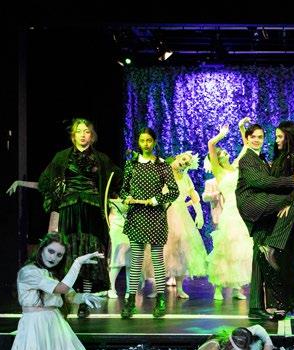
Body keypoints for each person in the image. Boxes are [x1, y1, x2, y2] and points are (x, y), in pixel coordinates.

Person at [38, 118, 122, 318]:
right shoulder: (61, 157)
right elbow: (45, 180)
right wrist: (55, 198)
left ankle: (84, 301)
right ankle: (65, 300)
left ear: (91, 136)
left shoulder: (101, 159)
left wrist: (111, 196)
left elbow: (118, 178)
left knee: (89, 253)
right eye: (79, 131)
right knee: (69, 253)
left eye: (86, 131)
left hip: (92, 211)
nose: (83, 135)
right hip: (70, 210)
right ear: (73, 135)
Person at [235, 122, 294, 320]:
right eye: (253, 137)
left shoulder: (261, 159)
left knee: (259, 255)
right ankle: (273, 245)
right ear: (246, 139)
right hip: (253, 203)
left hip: (261, 208)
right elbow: (260, 182)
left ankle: (255, 306)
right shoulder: (247, 159)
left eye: (260, 137)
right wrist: (291, 181)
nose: (257, 140)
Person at [119, 127, 179, 319]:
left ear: (154, 142)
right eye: (142, 140)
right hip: (136, 216)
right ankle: (130, 301)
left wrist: (156, 200)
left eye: (149, 140)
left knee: (157, 259)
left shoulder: (162, 165)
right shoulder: (131, 165)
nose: (146, 144)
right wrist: (127, 197)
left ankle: (160, 299)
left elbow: (174, 191)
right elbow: (123, 190)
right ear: (138, 142)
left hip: (155, 217)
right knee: (136, 260)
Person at [205, 125, 253, 301]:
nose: (226, 153)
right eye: (222, 153)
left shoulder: (235, 167)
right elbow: (211, 145)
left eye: (225, 152)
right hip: (230, 212)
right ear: (217, 159)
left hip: (242, 211)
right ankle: (218, 287)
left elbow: (246, 147)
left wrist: (242, 128)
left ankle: (237, 287)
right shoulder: (218, 171)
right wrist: (221, 135)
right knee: (225, 249)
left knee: (240, 250)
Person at [164, 151, 208, 300]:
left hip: (181, 215)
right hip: (164, 213)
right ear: (177, 157)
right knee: (160, 249)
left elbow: (193, 195)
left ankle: (179, 288)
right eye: (183, 159)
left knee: (181, 250)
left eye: (187, 163)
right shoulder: (164, 171)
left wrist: (199, 213)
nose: (184, 163)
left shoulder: (186, 178)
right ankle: (157, 289)